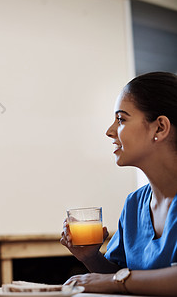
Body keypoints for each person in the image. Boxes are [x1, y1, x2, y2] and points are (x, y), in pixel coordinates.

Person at [60, 72, 177, 296]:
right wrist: (91, 257)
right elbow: (120, 274)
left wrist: (115, 281)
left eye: (121, 119)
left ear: (160, 127)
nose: (110, 131)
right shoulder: (134, 204)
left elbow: (120, 280)